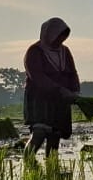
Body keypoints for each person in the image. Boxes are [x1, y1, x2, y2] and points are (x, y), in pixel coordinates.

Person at [23, 16, 83, 161]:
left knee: (55, 135)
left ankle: (52, 167)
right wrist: (59, 89)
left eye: (62, 37)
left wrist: (74, 91)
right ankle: (28, 163)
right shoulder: (34, 51)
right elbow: (37, 77)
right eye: (57, 36)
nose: (60, 40)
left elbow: (72, 73)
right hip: (40, 99)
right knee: (39, 133)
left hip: (60, 100)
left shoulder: (65, 51)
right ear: (48, 35)